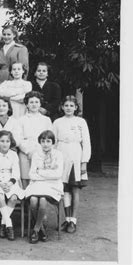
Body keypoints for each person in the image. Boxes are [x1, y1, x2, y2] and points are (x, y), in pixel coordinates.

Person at [52, 96, 91, 234]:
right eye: (66, 105)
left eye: (71, 105)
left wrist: (84, 162)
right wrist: (54, 159)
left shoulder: (81, 122)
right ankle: (67, 219)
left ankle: (73, 220)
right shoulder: (57, 122)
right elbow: (54, 141)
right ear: (62, 107)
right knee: (65, 189)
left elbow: (86, 142)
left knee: (75, 188)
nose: (68, 108)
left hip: (76, 155)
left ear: (75, 107)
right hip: (62, 154)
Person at [0, 130, 24, 240]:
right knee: (0, 196)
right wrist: (0, 183)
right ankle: (9, 225)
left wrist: (10, 183)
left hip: (10, 180)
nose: (5, 143)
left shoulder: (14, 154)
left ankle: (3, 223)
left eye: (7, 141)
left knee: (14, 197)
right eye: (2, 141)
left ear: (11, 142)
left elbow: (16, 173)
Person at [25, 130, 64, 244]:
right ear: (40, 142)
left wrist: (40, 172)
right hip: (37, 184)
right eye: (43, 141)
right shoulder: (36, 155)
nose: (46, 144)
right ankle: (41, 228)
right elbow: (31, 174)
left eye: (48, 141)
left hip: (53, 186)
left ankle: (36, 230)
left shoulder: (58, 154)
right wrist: (46, 176)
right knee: (33, 200)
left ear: (53, 143)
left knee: (42, 200)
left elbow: (58, 174)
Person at [17, 91, 53, 187]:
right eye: (31, 102)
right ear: (27, 104)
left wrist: (41, 151)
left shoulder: (46, 120)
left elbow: (51, 138)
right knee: (26, 179)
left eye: (36, 102)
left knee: (40, 179)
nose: (34, 105)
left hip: (42, 152)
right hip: (25, 152)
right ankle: (26, 200)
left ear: (40, 104)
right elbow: (18, 139)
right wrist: (29, 151)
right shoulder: (21, 120)